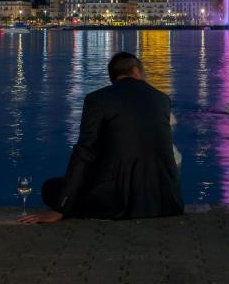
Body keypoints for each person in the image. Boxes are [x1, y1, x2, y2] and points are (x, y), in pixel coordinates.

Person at [21, 51, 183, 223]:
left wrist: (62, 207)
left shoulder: (98, 99)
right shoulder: (162, 99)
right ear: (136, 71)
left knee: (50, 188)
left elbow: (85, 152)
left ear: (113, 77)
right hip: (166, 202)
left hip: (120, 203)